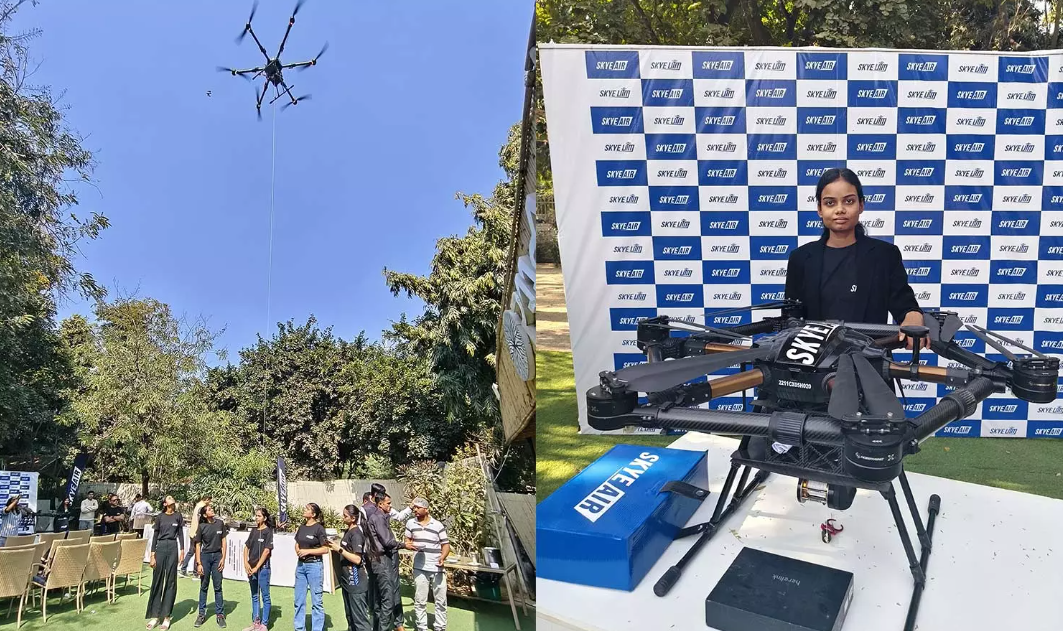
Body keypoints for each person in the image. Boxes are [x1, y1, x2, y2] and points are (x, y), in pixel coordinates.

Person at [784, 167, 927, 349]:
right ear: (819, 209)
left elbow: (905, 307)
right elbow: (790, 320)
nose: (840, 210)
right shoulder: (801, 258)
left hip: (871, 363)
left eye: (848, 201)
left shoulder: (884, 255)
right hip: (814, 369)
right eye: (830, 203)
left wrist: (914, 316)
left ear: (861, 205)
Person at [404, 498, 450, 631]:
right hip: (419, 567)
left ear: (426, 509)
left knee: (440, 600)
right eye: (414, 508)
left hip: (437, 567)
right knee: (420, 600)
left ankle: (440, 626)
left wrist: (442, 557)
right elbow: (407, 541)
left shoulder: (437, 525)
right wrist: (411, 546)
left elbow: (445, 545)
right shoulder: (410, 523)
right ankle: (421, 626)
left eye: (418, 508)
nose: (415, 510)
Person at [365, 492, 403, 631]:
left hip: (376, 561)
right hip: (381, 560)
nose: (390, 506)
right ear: (380, 504)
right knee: (388, 599)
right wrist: (404, 545)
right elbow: (387, 542)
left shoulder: (378, 517)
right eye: (388, 503)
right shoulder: (378, 518)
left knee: (378, 598)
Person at [329, 505, 371, 631]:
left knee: (360, 621)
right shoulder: (348, 532)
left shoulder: (357, 534)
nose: (343, 518)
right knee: (350, 618)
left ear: (353, 518)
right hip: (347, 581)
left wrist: (339, 549)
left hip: (356, 581)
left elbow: (357, 559)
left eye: (345, 516)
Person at [146, 496, 184, 630]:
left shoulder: (178, 516)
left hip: (173, 547)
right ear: (165, 503)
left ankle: (167, 616)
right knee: (157, 580)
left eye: (172, 498)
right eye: (169, 498)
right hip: (160, 548)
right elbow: (155, 536)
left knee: (170, 581)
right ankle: (155, 616)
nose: (172, 499)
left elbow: (180, 534)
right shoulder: (160, 517)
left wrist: (182, 551)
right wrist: (152, 555)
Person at [293, 503, 329, 631]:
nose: (304, 510)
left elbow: (325, 549)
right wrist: (298, 550)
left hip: (314, 566)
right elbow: (297, 543)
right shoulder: (301, 527)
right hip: (301, 567)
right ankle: (299, 628)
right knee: (299, 600)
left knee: (317, 602)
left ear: (313, 514)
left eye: (307, 509)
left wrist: (308, 552)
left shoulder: (319, 529)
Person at [193, 504, 229, 628]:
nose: (212, 509)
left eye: (211, 508)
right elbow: (197, 545)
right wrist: (199, 563)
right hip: (205, 558)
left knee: (218, 587)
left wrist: (223, 559)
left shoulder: (220, 523)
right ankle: (201, 614)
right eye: (209, 509)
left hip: (218, 557)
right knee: (204, 586)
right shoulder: (202, 526)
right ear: (204, 515)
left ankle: (220, 615)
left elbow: (224, 542)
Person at [243, 507, 274, 631]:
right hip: (252, 568)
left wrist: (257, 567)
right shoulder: (254, 531)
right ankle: (256, 623)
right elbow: (246, 547)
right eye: (256, 516)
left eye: (259, 516)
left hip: (263, 569)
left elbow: (266, 551)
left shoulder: (268, 531)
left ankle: (264, 624)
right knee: (255, 595)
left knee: (265, 596)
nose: (256, 518)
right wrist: (246, 562)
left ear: (265, 518)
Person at [182, 496, 213, 577]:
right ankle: (195, 572)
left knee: (191, 551)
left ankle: (183, 569)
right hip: (197, 532)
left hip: (193, 531)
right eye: (209, 501)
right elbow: (199, 520)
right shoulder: (201, 508)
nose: (210, 503)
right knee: (196, 552)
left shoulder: (197, 505)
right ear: (206, 500)